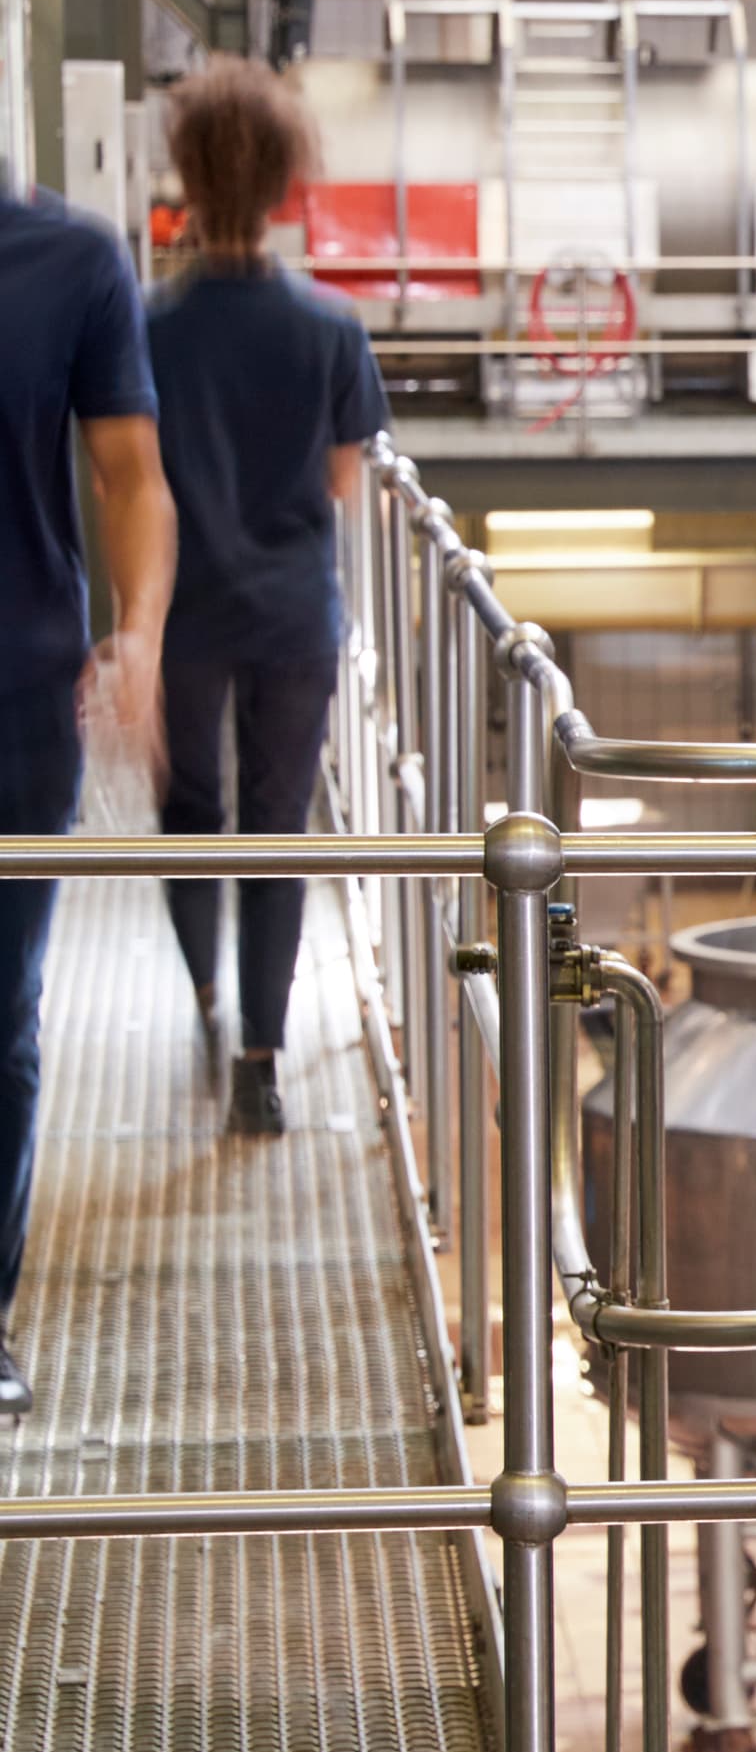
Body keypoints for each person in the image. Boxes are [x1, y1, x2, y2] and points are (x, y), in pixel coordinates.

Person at [146, 56, 386, 1136]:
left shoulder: (143, 322)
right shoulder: (331, 326)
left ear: (184, 180)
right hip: (295, 612)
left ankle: (202, 986)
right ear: (287, 181)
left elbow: (123, 477)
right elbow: (344, 479)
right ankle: (261, 1058)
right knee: (279, 827)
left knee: (192, 811)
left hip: (182, 611)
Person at [0, 177, 175, 1422]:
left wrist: (141, 635)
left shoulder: (67, 259)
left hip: (13, 695)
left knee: (1, 1014)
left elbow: (128, 471)